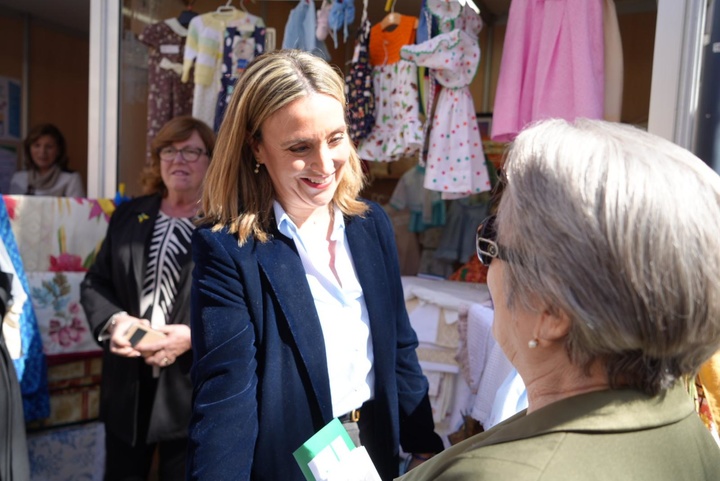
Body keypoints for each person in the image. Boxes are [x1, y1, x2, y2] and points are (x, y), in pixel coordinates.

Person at [398, 118, 720, 481]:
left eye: (492, 242)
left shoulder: (500, 475)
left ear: (549, 308)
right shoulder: (683, 423)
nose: (487, 269)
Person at [187, 49, 444, 481]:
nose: (325, 165)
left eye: (336, 138)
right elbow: (226, 398)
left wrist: (424, 446)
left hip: (375, 449)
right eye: (299, 147)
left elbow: (398, 345)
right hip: (290, 463)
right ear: (256, 147)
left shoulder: (370, 224)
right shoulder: (230, 251)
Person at [80, 116, 214, 481]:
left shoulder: (223, 224)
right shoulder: (129, 214)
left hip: (190, 391)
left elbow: (245, 309)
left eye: (191, 151)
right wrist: (115, 322)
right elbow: (96, 282)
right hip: (129, 388)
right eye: (169, 150)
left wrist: (193, 337)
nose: (178, 159)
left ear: (212, 160)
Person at [9, 123, 85, 197]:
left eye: (49, 147)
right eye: (37, 146)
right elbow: (13, 209)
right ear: (29, 149)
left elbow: (77, 209)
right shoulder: (18, 179)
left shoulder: (71, 179)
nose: (42, 152)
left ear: (58, 150)